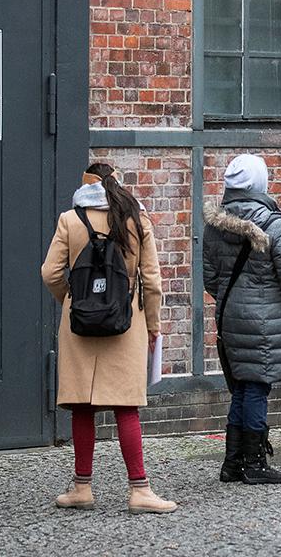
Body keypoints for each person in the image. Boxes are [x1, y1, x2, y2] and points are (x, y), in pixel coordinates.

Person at [42, 163, 176, 513]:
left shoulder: (70, 220)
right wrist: (152, 325)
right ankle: (139, 490)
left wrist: (72, 300)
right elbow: (152, 281)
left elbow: (50, 272)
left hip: (80, 324)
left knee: (81, 405)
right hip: (126, 322)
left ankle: (82, 487)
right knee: (126, 407)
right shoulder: (135, 218)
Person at [203, 153, 281, 484]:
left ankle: (232, 463)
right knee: (257, 387)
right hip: (266, 321)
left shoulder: (214, 226)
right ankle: (254, 463)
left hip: (230, 318)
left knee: (243, 388)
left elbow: (210, 278)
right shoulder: (274, 225)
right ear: (260, 184)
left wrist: (231, 302)